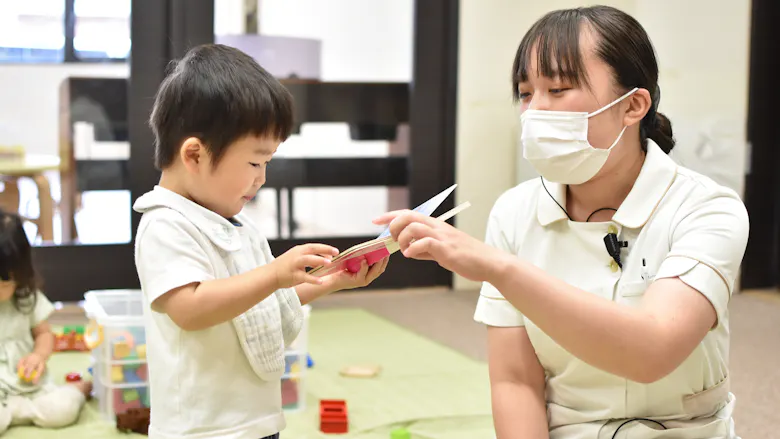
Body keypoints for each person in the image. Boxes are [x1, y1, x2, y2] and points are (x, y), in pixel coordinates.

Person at [374, 5, 749, 439]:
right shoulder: (515, 212)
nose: (535, 111)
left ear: (633, 105)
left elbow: (652, 351)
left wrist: (499, 268)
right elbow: (515, 381)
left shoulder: (706, 207)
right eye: (526, 93)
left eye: (558, 89)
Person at [133, 44, 389, 439]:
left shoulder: (235, 225)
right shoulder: (166, 225)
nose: (261, 178)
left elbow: (256, 306)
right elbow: (190, 309)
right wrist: (273, 274)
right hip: (203, 429)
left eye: (267, 164)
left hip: (256, 420)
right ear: (195, 155)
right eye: (255, 163)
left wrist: (332, 280)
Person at [0, 209, 93, 433]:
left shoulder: (26, 299)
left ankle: (78, 390)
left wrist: (38, 355)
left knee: (62, 410)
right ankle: (13, 413)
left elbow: (44, 334)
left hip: (31, 388)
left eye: (3, 285)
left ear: (21, 275)